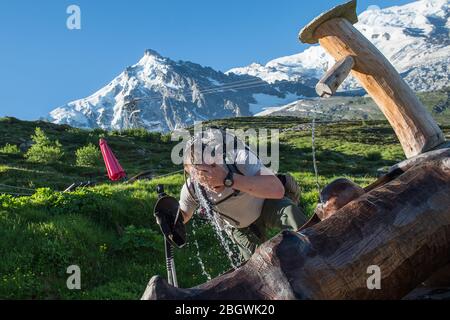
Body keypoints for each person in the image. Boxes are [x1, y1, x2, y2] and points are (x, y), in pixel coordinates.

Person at [178, 129, 307, 262]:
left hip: (265, 202)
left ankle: (313, 253)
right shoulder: (192, 188)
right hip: (240, 226)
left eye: (212, 167)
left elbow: (277, 189)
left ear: (217, 158)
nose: (208, 177)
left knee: (291, 213)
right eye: (201, 176)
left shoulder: (240, 158)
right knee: (254, 266)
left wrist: (228, 179)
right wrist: (168, 216)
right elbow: (183, 214)